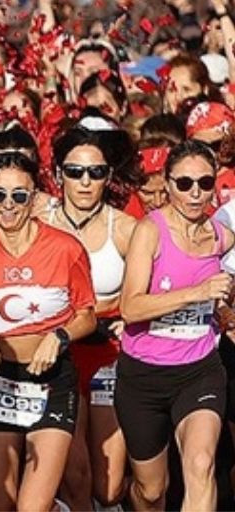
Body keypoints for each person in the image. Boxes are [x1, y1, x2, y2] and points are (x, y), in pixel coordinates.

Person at [0, 151, 97, 512]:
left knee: (32, 507)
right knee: (0, 503)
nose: (8, 205)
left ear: (35, 198)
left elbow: (87, 315)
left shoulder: (65, 248)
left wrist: (59, 336)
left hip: (52, 380)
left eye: (19, 196)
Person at [117, 140, 235, 511]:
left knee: (201, 464)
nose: (195, 193)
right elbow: (130, 307)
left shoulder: (222, 236)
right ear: (168, 185)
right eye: (184, 183)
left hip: (199, 371)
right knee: (152, 491)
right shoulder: (149, 231)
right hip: (144, 376)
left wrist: (225, 308)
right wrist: (197, 292)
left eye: (204, 183)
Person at [45, 126, 137, 509]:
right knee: (75, 474)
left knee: (108, 487)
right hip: (55, 352)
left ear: (108, 176)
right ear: (58, 174)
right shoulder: (37, 221)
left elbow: (148, 291)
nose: (85, 182)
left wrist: (127, 315)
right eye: (75, 171)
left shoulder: (126, 228)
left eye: (96, 172)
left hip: (107, 353)